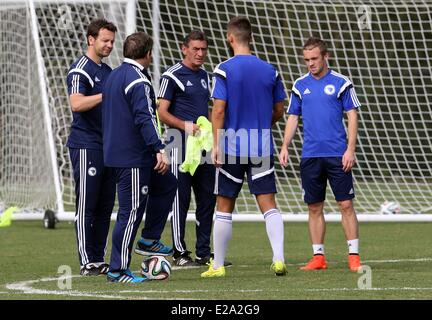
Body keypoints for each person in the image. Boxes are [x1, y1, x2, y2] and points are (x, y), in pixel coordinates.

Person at [201, 16, 287, 278]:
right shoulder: (270, 70)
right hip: (260, 145)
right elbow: (279, 109)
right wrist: (262, 123)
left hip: (231, 146)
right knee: (268, 203)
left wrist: (216, 144)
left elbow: (218, 109)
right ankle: (279, 259)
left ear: (230, 38)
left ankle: (217, 266)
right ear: (250, 38)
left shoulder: (224, 69)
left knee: (224, 205)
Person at [279, 37, 362, 272]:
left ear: (326, 56)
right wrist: (285, 145)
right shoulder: (300, 85)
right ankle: (318, 257)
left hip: (337, 155)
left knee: (345, 204)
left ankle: (353, 256)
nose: (310, 63)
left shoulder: (341, 83)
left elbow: (352, 115)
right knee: (314, 207)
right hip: (311, 156)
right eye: (306, 60)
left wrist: (350, 149)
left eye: (314, 59)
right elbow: (293, 117)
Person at [102, 32, 177, 283]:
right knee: (130, 211)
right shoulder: (139, 80)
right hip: (132, 158)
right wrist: (159, 148)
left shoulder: (113, 76)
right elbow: (144, 117)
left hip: (123, 154)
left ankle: (149, 239)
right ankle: (118, 270)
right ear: (148, 54)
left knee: (168, 183)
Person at [157, 30, 228, 267]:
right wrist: (184, 126)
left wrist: (215, 131)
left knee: (207, 199)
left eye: (203, 49)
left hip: (203, 147)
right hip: (179, 145)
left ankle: (204, 253)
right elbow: (161, 112)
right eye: (195, 49)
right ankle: (179, 253)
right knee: (181, 198)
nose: (200, 53)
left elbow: (207, 110)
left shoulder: (206, 76)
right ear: (184, 48)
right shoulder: (171, 76)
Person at [66, 18, 117, 276]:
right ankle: (87, 262)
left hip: (108, 148)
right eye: (105, 40)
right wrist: (106, 95)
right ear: (91, 39)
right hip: (86, 145)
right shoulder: (80, 70)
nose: (109, 45)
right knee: (87, 205)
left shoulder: (108, 72)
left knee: (106, 206)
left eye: (111, 41)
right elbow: (76, 104)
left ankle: (98, 258)